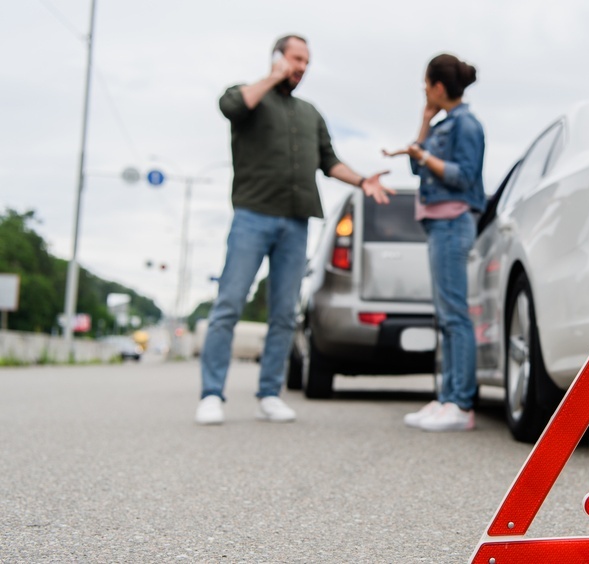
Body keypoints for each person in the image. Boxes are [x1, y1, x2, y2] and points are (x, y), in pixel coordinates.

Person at [195, 35, 394, 425]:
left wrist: (361, 181)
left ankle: (269, 394)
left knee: (285, 313)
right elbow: (231, 107)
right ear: (278, 57)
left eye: (307, 61)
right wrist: (273, 76)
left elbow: (329, 161)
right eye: (296, 58)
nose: (302, 67)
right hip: (252, 216)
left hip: (296, 221)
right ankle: (211, 394)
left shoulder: (310, 113)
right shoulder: (248, 95)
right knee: (229, 305)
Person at [384, 53, 486, 432]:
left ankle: (460, 404)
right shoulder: (444, 124)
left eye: (427, 85)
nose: (425, 91)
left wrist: (423, 154)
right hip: (439, 224)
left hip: (453, 222)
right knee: (445, 316)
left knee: (456, 316)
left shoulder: (467, 125)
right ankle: (446, 399)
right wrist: (425, 122)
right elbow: (417, 166)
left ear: (438, 87)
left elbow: (464, 175)